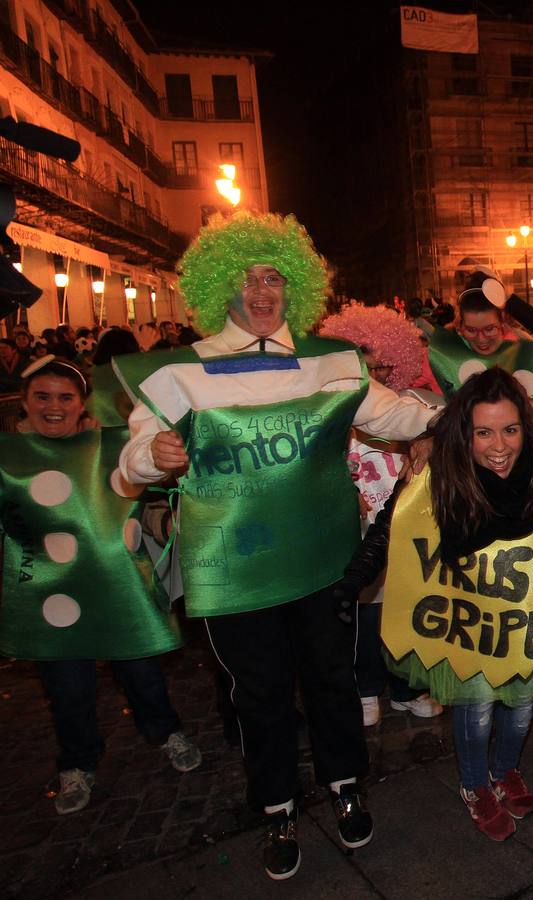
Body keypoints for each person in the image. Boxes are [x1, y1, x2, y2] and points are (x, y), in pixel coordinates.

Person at [116, 212, 438, 881]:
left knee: (331, 679)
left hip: (322, 559)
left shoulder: (330, 361)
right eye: (247, 278)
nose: (262, 290)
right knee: (257, 693)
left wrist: (462, 417)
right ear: (220, 291)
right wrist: (155, 455)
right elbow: (126, 469)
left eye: (273, 277)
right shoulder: (179, 373)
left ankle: (346, 784)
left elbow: (397, 414)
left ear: (293, 286)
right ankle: (276, 806)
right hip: (232, 570)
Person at [343, 368, 533, 842]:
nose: (499, 446)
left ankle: (505, 770)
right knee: (479, 706)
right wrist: (353, 581)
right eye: (482, 432)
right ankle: (473, 785)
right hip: (465, 625)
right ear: (464, 434)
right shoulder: (442, 474)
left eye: (510, 430)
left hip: (521, 622)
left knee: (523, 705)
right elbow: (394, 524)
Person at [0, 357, 200, 815]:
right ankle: (77, 762)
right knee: (68, 689)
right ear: (24, 402)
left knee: (143, 675)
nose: (54, 406)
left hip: (121, 588)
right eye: (42, 397)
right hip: (51, 598)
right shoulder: (7, 458)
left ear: (81, 403)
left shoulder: (113, 446)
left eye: (65, 397)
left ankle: (166, 732)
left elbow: (157, 481)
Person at [317, 303, 444, 727]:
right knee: (363, 615)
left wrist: (428, 442)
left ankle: (407, 688)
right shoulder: (334, 412)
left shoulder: (418, 405)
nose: (377, 376)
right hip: (354, 531)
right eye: (364, 367)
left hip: (407, 527)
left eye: (385, 365)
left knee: (410, 611)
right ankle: (367, 688)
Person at [427, 284, 533, 416]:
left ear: (502, 321)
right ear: (460, 325)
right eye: (471, 330)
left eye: (489, 329)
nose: (481, 338)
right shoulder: (444, 354)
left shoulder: (532, 358)